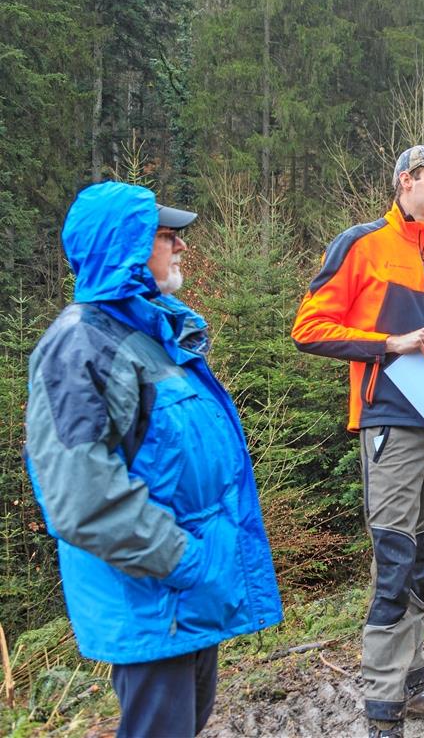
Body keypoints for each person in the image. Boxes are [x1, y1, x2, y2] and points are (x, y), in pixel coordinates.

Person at [24, 182, 284, 738]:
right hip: (153, 598)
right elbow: (80, 498)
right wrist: (185, 561)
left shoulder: (149, 336)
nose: (181, 248)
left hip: (184, 596)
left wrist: (203, 568)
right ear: (127, 247)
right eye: (166, 237)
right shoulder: (81, 348)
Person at [292, 145, 424, 738]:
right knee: (395, 560)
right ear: (405, 182)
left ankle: (413, 681)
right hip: (391, 421)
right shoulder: (362, 244)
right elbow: (310, 328)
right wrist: (390, 343)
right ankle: (382, 710)